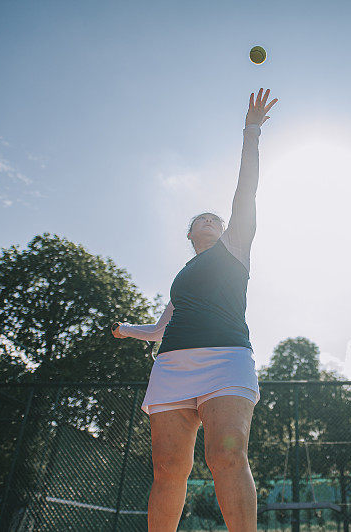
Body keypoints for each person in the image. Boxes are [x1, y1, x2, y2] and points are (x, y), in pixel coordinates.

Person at [112, 88, 277, 531]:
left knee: (225, 455)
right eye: (200, 220)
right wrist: (127, 329)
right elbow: (161, 328)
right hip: (171, 366)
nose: (209, 220)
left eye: (215, 219)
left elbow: (246, 188)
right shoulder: (182, 277)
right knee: (168, 470)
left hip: (226, 360)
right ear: (190, 234)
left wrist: (252, 130)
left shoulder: (236, 247)